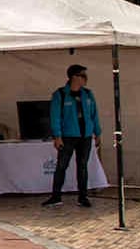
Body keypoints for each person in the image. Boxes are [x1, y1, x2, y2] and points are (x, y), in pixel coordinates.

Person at [44, 64, 102, 208]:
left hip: (85, 136)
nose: (85, 78)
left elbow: (94, 115)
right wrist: (57, 136)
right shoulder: (60, 94)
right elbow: (55, 117)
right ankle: (56, 196)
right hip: (68, 136)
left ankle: (83, 197)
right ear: (74, 77)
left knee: (82, 166)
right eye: (82, 75)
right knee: (61, 166)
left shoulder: (88, 94)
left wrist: (97, 132)